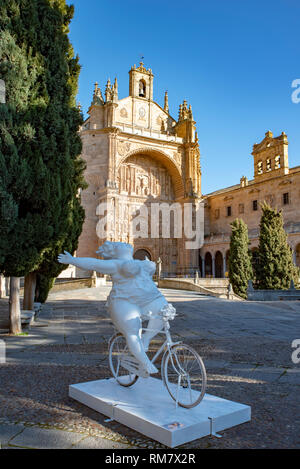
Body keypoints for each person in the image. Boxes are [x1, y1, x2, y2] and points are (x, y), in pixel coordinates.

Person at [58, 241, 169, 375]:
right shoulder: (115, 264)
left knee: (164, 311)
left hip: (147, 300)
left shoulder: (143, 264)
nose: (123, 245)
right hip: (124, 301)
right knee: (132, 331)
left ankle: (145, 340)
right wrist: (73, 260)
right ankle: (145, 363)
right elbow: (93, 263)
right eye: (117, 245)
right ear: (115, 252)